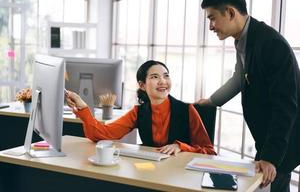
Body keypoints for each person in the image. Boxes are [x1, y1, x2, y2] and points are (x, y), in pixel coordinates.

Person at [197, 0, 300, 191]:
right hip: (268, 137)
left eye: (212, 18)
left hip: (284, 140)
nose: (210, 26)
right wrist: (211, 101)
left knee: (272, 185)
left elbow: (285, 108)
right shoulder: (245, 38)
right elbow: (239, 77)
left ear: (230, 12)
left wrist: (270, 158)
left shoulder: (271, 45)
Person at [66, 60, 216, 156]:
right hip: (150, 171)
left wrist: (181, 146)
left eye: (166, 76)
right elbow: (101, 134)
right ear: (142, 85)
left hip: (180, 175)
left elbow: (209, 152)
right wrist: (84, 108)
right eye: (155, 77)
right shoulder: (138, 112)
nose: (163, 81)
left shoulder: (187, 110)